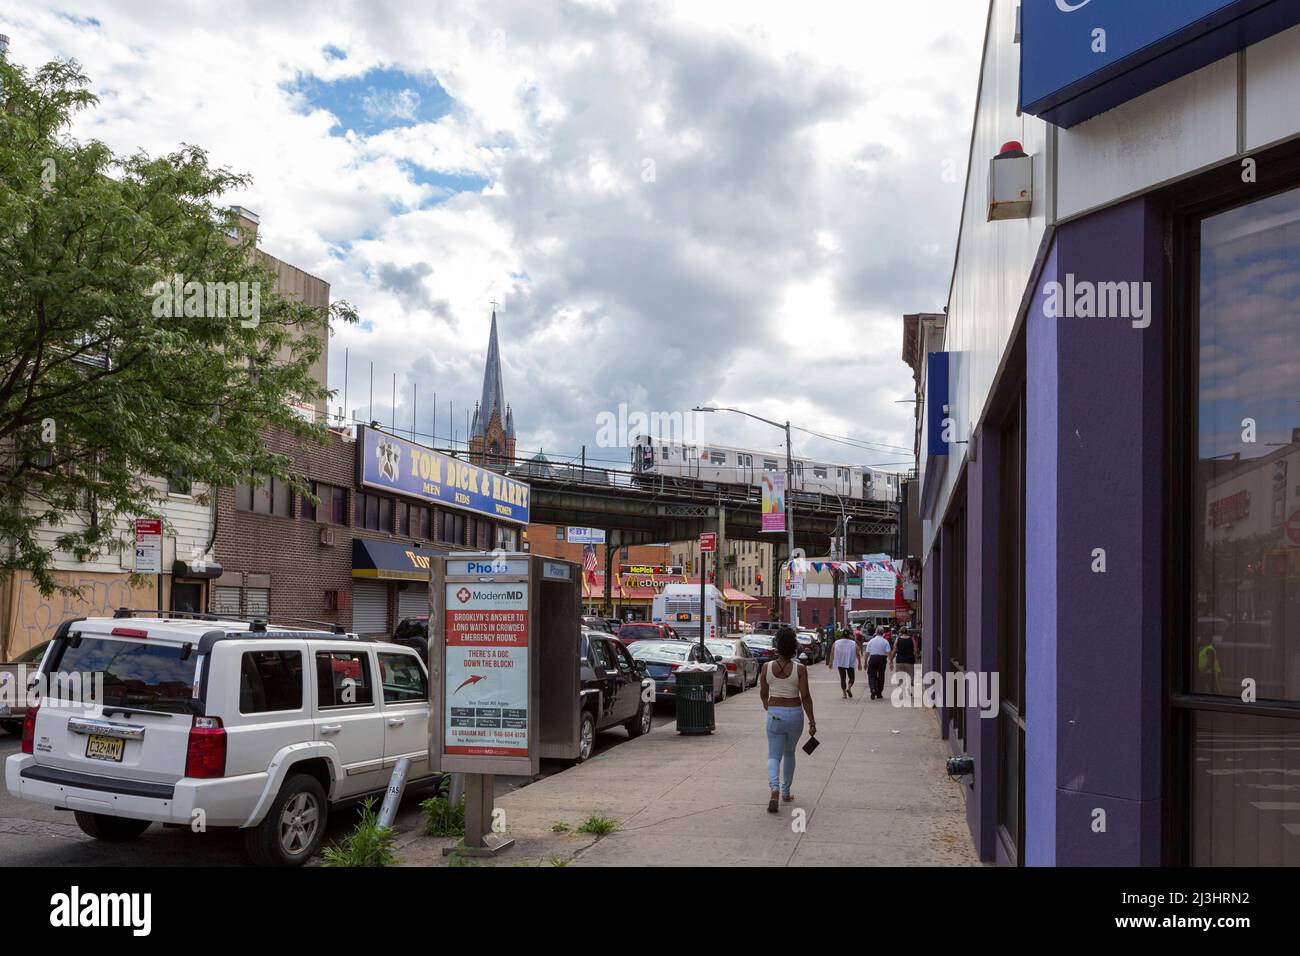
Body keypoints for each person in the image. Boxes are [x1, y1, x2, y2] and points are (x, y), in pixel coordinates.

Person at [759, 626, 817, 812]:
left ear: (777, 646)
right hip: (795, 714)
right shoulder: (800, 669)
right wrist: (812, 722)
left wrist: (768, 706)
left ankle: (774, 789)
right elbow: (805, 697)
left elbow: (763, 694)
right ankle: (785, 791)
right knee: (789, 753)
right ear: (794, 647)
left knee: (773, 755)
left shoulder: (766, 667)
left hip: (775, 712)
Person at [890, 626, 917, 701]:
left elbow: (894, 650)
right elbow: (915, 650)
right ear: (907, 632)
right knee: (909, 677)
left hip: (900, 661)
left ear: (900, 632)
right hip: (909, 661)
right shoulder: (912, 639)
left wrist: (891, 659)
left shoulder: (898, 639)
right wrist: (916, 657)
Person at [864, 627, 892, 699]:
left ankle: (873, 688)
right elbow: (888, 652)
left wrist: (865, 662)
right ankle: (879, 693)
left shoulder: (871, 641)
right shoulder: (885, 641)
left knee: (871, 674)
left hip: (873, 658)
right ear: (883, 633)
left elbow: (867, 653)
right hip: (882, 659)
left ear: (876, 632)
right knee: (881, 675)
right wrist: (890, 662)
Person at [832, 628, 860, 699]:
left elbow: (832, 652)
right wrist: (859, 662)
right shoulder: (853, 643)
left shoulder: (836, 642)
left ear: (842, 635)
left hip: (840, 662)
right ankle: (849, 687)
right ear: (849, 635)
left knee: (843, 678)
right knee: (852, 678)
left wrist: (830, 662)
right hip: (850, 662)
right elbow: (857, 652)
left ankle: (844, 694)